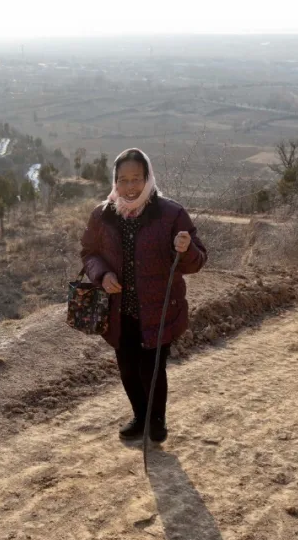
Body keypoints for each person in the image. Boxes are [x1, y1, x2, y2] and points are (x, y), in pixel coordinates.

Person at [79, 148, 207, 443]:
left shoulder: (171, 214)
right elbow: (89, 253)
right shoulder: (103, 215)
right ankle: (140, 417)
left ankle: (156, 420)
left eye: (136, 178)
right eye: (123, 180)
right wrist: (102, 275)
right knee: (127, 367)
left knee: (152, 368)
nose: (130, 186)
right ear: (115, 181)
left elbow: (198, 261)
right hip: (119, 310)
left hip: (160, 308)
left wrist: (185, 248)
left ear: (147, 178)